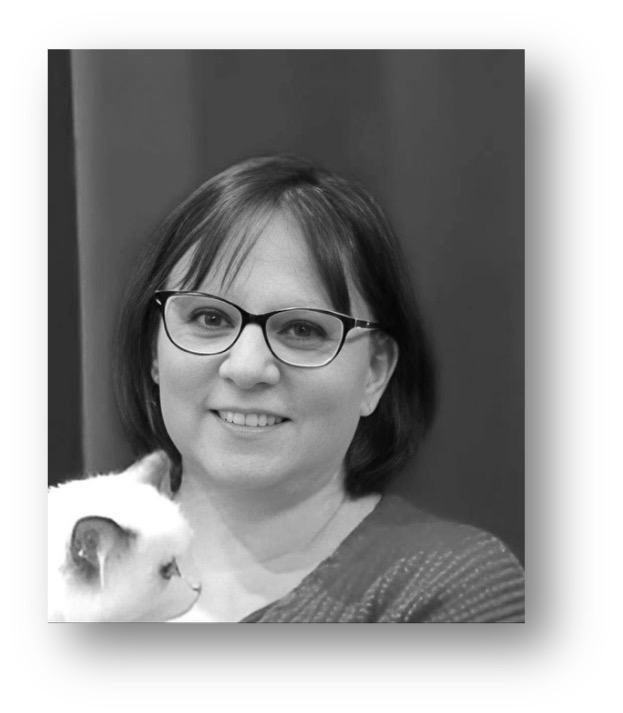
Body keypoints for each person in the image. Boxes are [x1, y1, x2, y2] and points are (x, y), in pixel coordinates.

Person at [114, 155, 525, 622]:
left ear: (374, 371)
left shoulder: (456, 588)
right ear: (153, 351)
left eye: (303, 330)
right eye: (209, 318)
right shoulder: (57, 552)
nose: (246, 368)